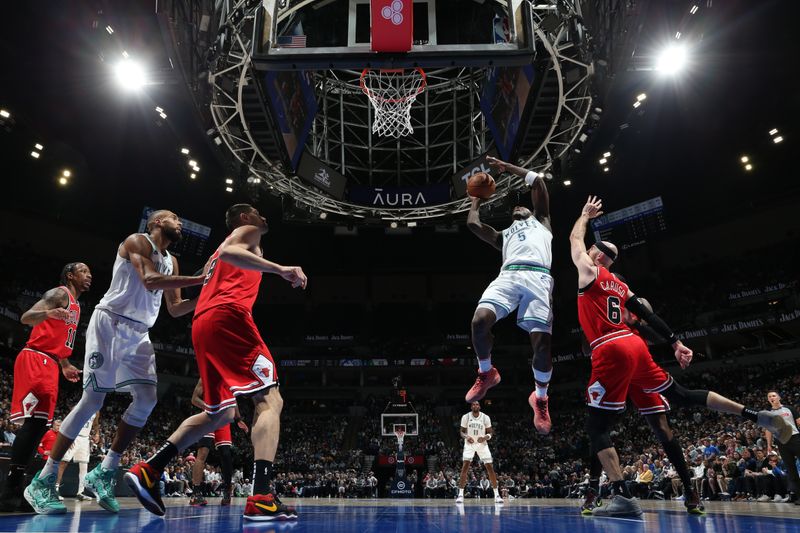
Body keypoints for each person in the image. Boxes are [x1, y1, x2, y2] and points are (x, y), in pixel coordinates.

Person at [569, 195, 793, 517]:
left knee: (600, 424)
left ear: (597, 255)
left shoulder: (591, 270)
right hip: (636, 352)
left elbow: (575, 239)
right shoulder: (620, 285)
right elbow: (649, 314)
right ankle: (752, 417)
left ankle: (615, 493)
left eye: (593, 248)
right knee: (679, 396)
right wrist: (675, 341)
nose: (588, 249)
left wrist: (584, 216)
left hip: (613, 349)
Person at [124, 204, 307, 522]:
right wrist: (280, 269)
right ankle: (261, 496)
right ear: (245, 218)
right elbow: (231, 253)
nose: (265, 218)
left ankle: (150, 470)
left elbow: (182, 305)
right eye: (258, 213)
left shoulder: (212, 258)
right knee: (269, 399)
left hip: (203, 324)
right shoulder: (248, 232)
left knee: (217, 413)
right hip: (230, 318)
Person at [25, 210, 205, 515]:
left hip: (139, 332)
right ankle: (42, 480)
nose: (180, 222)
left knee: (147, 400)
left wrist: (209, 294)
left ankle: (105, 472)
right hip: (110, 323)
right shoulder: (137, 241)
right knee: (94, 400)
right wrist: (202, 277)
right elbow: (148, 280)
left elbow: (175, 309)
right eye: (174, 217)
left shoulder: (172, 262)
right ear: (156, 222)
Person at [465, 157, 554, 434]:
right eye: (514, 207)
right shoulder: (504, 235)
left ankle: (540, 398)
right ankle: (486, 372)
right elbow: (473, 225)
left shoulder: (542, 222)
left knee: (541, 347)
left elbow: (537, 181)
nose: (518, 206)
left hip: (539, 278)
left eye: (521, 204)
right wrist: (476, 198)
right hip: (509, 275)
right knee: (479, 322)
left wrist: (507, 167)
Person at [0, 263, 90, 513]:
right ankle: (11, 490)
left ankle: (17, 489)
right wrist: (49, 314)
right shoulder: (60, 294)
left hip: (50, 362)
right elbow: (26, 317)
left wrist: (65, 364)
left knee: (40, 426)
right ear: (70, 275)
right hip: (35, 357)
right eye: (84, 271)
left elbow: (59, 339)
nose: (89, 275)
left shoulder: (77, 305)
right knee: (34, 424)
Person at [188, 378, 248, 507]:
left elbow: (233, 400)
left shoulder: (228, 376)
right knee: (202, 454)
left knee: (226, 455)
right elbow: (194, 399)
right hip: (208, 416)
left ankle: (227, 490)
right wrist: (209, 408)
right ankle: (196, 493)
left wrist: (238, 419)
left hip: (223, 419)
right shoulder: (205, 375)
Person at [455, 401, 503, 504]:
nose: (475, 406)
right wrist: (466, 437)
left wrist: (485, 437)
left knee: (490, 468)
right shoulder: (466, 417)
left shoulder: (485, 417)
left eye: (477, 404)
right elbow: (462, 431)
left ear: (479, 406)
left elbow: (490, 432)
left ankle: (497, 495)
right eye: (473, 404)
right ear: (471, 407)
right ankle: (460, 495)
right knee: (465, 467)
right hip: (469, 444)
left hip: (482, 444)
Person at [765, 390, 800, 504]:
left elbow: (799, 422)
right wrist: (769, 444)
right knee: (791, 470)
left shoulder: (789, 408)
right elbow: (768, 430)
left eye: (774, 395)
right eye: (769, 396)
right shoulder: (768, 414)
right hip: (782, 443)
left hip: (795, 438)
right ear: (768, 400)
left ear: (779, 397)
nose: (772, 397)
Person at [56, 413, 99, 501]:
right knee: (63, 462)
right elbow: (69, 421)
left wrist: (97, 434)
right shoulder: (78, 406)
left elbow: (95, 423)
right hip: (74, 437)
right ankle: (55, 490)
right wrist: (69, 437)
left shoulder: (96, 410)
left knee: (84, 466)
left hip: (85, 439)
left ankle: (81, 492)